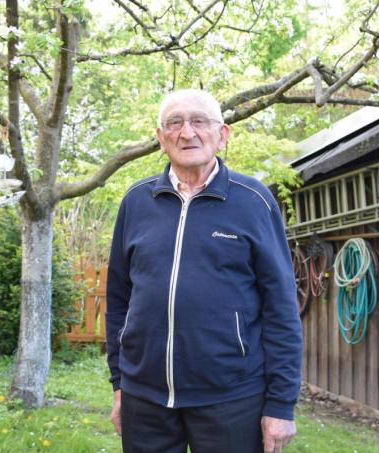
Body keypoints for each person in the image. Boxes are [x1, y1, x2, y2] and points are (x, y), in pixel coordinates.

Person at [105, 88, 302, 453]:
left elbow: (281, 308)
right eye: (174, 123)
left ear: (222, 135)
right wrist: (120, 384)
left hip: (231, 397)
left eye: (199, 121)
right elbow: (118, 300)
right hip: (144, 399)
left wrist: (280, 404)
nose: (187, 132)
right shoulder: (136, 202)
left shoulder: (253, 201)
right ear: (161, 138)